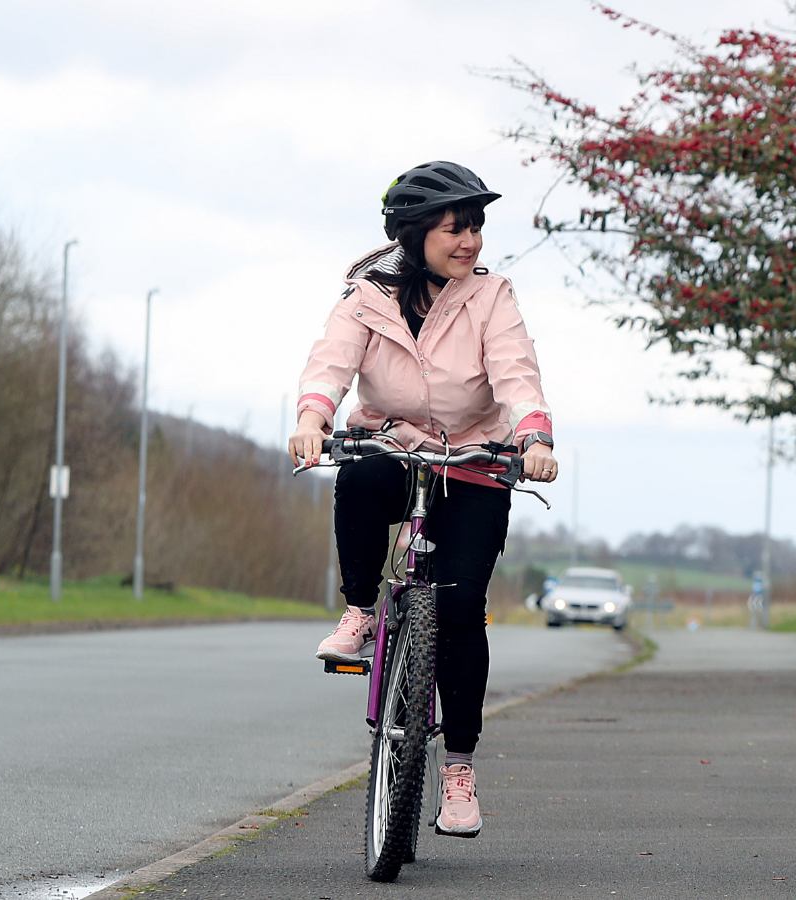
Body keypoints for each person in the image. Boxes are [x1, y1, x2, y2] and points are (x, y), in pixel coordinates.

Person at [287, 161, 557, 839]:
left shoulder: (491, 296)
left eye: (475, 228)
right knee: (360, 479)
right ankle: (360, 611)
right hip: (392, 440)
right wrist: (313, 419)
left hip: (474, 457)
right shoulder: (367, 296)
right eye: (453, 230)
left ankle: (458, 769)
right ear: (414, 234)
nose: (469, 242)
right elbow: (330, 363)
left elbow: (516, 371)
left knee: (461, 610)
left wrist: (534, 436)